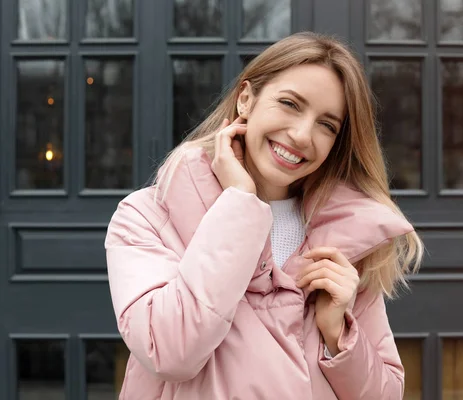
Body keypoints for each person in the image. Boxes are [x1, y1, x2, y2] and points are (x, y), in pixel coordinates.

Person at [105, 31, 423, 399]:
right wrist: (240, 202)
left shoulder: (346, 238)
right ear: (245, 99)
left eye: (327, 125)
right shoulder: (146, 218)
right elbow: (170, 351)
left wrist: (338, 334)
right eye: (289, 104)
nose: (303, 135)